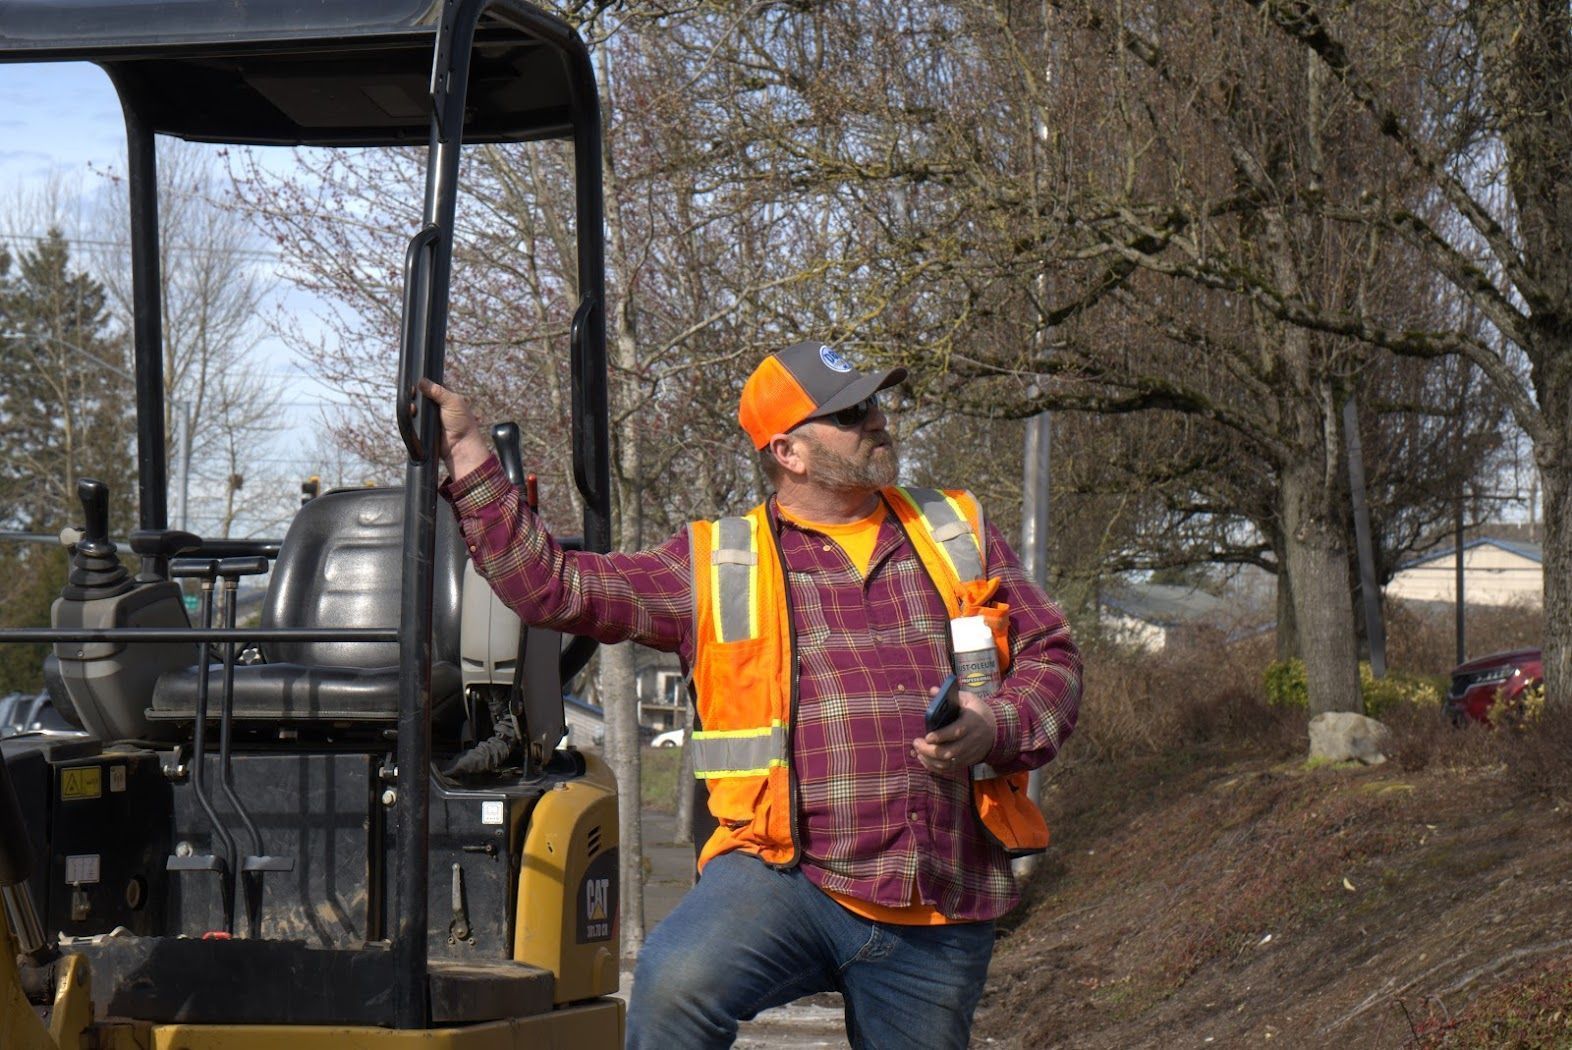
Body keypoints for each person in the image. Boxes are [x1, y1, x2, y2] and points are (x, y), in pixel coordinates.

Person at [421, 340, 1081, 1049]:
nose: (878, 422)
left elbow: (1051, 655)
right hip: (782, 877)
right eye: (852, 413)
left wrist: (996, 723)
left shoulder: (956, 529)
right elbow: (552, 586)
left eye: (875, 404)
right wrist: (467, 452)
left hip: (938, 895)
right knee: (675, 983)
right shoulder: (715, 561)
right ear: (788, 452)